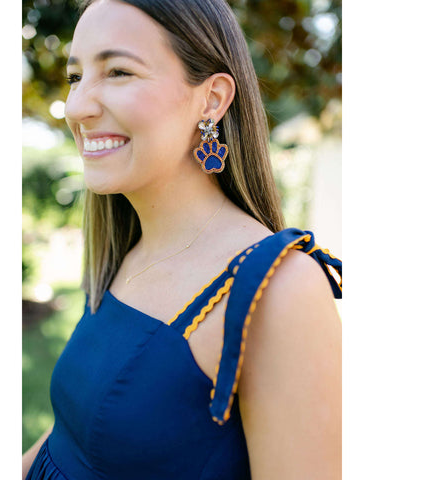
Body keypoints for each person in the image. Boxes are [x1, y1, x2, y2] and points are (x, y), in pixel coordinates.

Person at [22, 0, 342, 478]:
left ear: (211, 99)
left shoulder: (277, 290)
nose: (76, 106)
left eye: (118, 72)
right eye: (75, 77)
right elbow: (66, 441)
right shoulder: (127, 250)